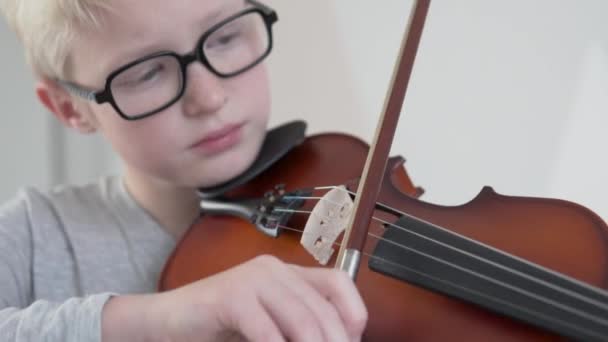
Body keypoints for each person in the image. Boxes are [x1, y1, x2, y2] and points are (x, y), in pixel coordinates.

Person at [0, 0, 368, 340]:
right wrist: (173, 315)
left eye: (225, 37)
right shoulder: (33, 236)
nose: (209, 98)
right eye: (146, 73)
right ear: (70, 109)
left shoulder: (347, 187)